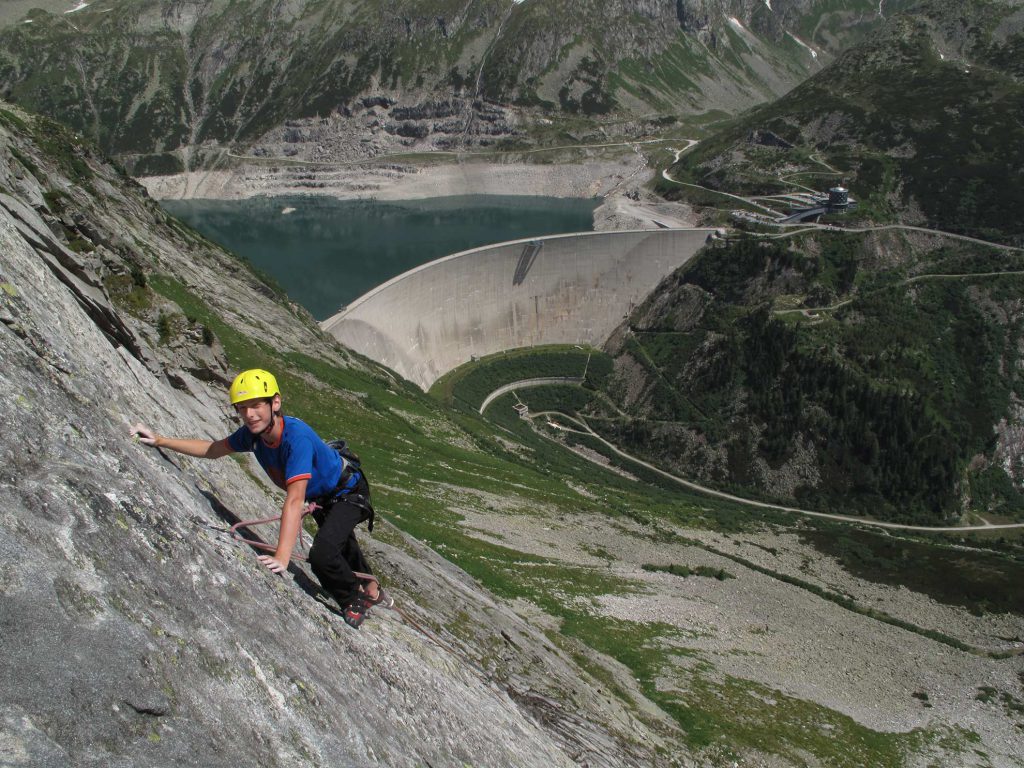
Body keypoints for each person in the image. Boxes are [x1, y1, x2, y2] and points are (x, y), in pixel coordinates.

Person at [131, 368, 388, 629]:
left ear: (275, 403)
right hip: (325, 494)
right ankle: (372, 587)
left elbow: (294, 499)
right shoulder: (253, 436)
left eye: (256, 406)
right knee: (340, 544)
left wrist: (282, 557)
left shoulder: (295, 438)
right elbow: (212, 449)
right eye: (242, 408)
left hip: (348, 492)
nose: (249, 415)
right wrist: (160, 440)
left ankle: (352, 599)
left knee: (322, 553)